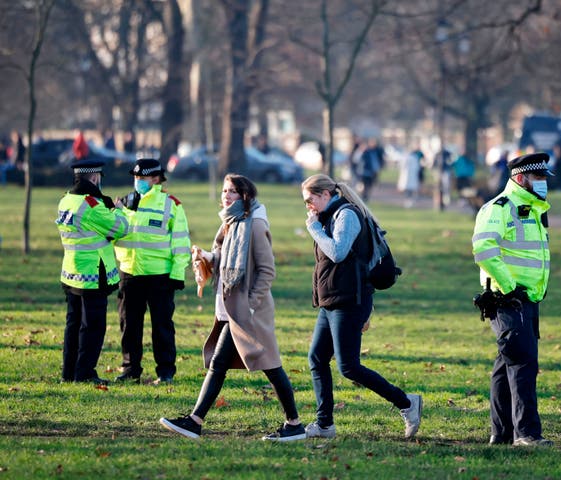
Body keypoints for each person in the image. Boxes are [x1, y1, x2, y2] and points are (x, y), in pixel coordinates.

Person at [160, 174, 306, 442]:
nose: (226, 196)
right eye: (225, 191)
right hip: (231, 307)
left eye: (233, 192)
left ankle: (196, 421)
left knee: (265, 365)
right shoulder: (231, 222)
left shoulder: (255, 224)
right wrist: (208, 257)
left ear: (245, 197)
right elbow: (226, 259)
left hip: (249, 311)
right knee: (249, 365)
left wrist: (249, 306)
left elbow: (266, 270)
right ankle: (292, 424)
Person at [300, 174, 423, 439]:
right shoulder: (327, 217)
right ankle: (324, 425)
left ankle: (407, 403)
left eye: (310, 200)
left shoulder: (346, 215)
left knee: (349, 367)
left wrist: (315, 230)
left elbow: (338, 252)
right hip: (331, 300)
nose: (308, 206)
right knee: (317, 358)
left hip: (350, 301)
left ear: (325, 195)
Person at [472, 152, 554, 447]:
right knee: (523, 363)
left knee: (506, 362)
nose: (543, 183)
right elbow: (483, 248)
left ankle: (503, 433)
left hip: (528, 299)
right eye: (539, 178)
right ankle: (527, 434)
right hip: (508, 299)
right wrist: (509, 287)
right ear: (521, 179)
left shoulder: (533, 209)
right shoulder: (500, 208)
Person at [113, 155, 191, 384]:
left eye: (143, 177)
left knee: (162, 327)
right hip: (130, 273)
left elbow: (180, 242)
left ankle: (165, 372)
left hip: (160, 276)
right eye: (136, 176)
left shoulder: (171, 204)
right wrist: (116, 212)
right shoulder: (125, 203)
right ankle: (130, 369)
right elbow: (115, 233)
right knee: (129, 325)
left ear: (157, 179)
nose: (138, 180)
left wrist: (177, 274)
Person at [55, 159, 129, 384]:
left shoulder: (66, 200)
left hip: (71, 272)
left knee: (73, 324)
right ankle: (85, 373)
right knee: (92, 327)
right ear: (95, 178)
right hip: (92, 275)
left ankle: (69, 373)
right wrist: (119, 211)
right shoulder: (91, 205)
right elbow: (120, 229)